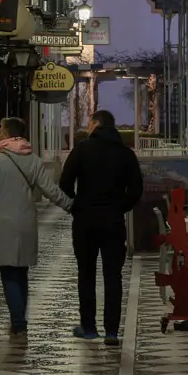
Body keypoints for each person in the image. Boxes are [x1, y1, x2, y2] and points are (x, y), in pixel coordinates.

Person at [0, 117, 72, 337]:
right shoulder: (34, 160)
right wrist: (70, 205)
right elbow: (50, 190)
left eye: (0, 130)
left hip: (2, 223)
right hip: (26, 222)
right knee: (21, 272)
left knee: (8, 273)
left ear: (7, 133)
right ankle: (20, 318)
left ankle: (18, 322)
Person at [60, 109, 143, 346]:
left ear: (96, 124)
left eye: (89, 123)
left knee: (86, 274)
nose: (87, 127)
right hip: (113, 222)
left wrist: (77, 204)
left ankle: (88, 327)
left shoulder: (82, 150)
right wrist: (119, 207)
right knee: (113, 276)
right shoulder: (126, 154)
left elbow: (64, 182)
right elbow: (136, 190)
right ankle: (112, 332)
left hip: (85, 221)